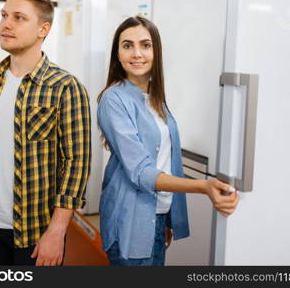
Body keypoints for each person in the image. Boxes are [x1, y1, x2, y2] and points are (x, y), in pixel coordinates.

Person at [97, 16, 239, 266]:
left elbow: (166, 159)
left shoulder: (155, 98)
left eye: (145, 45)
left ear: (156, 52)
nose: (137, 53)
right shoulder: (113, 99)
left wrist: (167, 217)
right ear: (117, 54)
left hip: (157, 216)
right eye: (127, 45)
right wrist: (204, 186)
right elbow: (141, 172)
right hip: (130, 220)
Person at [0, 0, 91, 266]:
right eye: (4, 15)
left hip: (37, 229)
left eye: (19, 17)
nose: (6, 24)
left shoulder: (65, 87)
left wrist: (57, 230)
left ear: (42, 29)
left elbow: (76, 165)